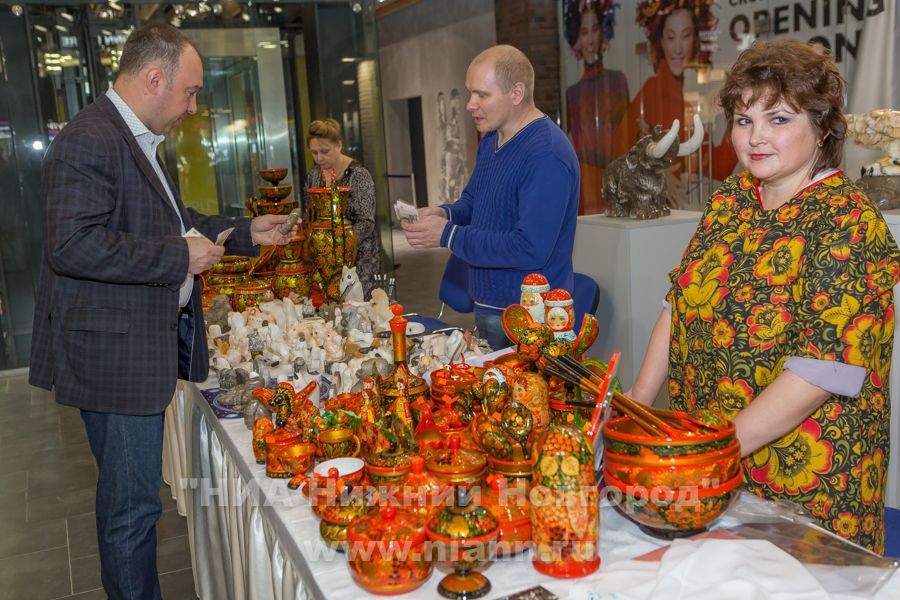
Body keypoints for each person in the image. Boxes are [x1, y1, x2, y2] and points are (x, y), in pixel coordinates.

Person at [28, 25, 296, 599]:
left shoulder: (134, 137)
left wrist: (247, 232)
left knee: (135, 508)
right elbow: (71, 245)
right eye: (190, 92)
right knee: (131, 513)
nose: (192, 107)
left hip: (131, 348)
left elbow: (176, 221)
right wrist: (177, 256)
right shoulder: (90, 139)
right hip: (114, 360)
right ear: (154, 79)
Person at [627, 40, 900, 553]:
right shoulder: (731, 201)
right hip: (710, 463)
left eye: (778, 119)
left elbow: (821, 371)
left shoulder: (848, 221)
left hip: (806, 482)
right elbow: (680, 301)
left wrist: (712, 454)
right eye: (743, 120)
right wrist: (637, 406)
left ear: (822, 127)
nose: (754, 137)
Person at [402, 45, 579, 350]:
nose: (470, 104)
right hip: (488, 306)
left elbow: (530, 248)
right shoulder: (491, 140)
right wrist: (445, 214)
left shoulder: (546, 153)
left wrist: (449, 235)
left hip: (529, 318)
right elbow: (474, 201)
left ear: (516, 93)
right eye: (470, 93)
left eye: (482, 95)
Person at [614, 0, 737, 207]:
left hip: (678, 210)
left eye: (686, 36)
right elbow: (620, 154)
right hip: (652, 209)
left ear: (695, 40)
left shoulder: (686, 103)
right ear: (660, 41)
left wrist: (737, 119)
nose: (678, 48)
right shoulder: (652, 90)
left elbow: (716, 168)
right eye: (671, 37)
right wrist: (654, 172)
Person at [563, 0, 629, 214]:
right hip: (585, 183)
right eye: (584, 32)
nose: (590, 40)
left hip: (617, 180)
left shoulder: (618, 81)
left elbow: (625, 138)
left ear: (603, 32)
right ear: (577, 38)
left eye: (595, 29)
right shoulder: (572, 93)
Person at [303, 118, 380, 297]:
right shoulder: (314, 176)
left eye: (324, 151)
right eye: (314, 152)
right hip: (324, 259)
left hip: (359, 258)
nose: (319, 158)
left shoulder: (359, 175)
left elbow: (366, 222)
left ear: (339, 145)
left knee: (356, 305)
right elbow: (310, 214)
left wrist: (339, 243)